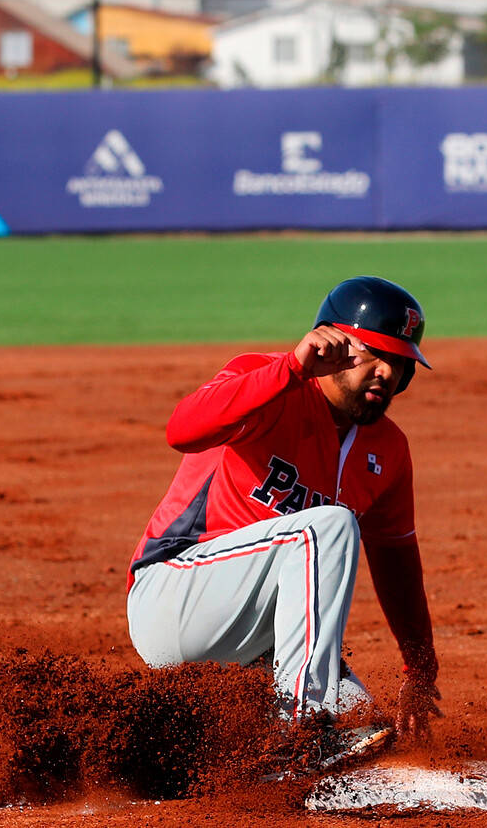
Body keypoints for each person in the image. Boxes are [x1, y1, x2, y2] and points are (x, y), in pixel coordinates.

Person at [126, 275, 441, 770]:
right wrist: (291, 367)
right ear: (332, 340)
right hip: (173, 595)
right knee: (328, 527)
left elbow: (397, 562)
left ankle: (219, 763)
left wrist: (420, 669)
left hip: (252, 643)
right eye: (376, 354)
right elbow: (181, 429)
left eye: (399, 362)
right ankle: (299, 726)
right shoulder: (268, 381)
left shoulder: (389, 449)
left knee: (366, 732)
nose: (387, 371)